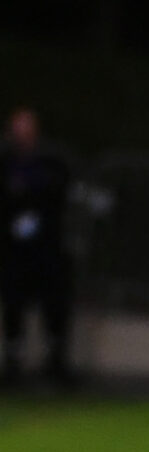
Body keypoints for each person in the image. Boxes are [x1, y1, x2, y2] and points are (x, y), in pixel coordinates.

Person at [0, 107, 76, 386]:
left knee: (54, 303)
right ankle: (13, 363)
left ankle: (56, 360)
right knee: (13, 304)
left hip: (47, 245)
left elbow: (57, 191)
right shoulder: (6, 159)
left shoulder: (51, 159)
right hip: (14, 248)